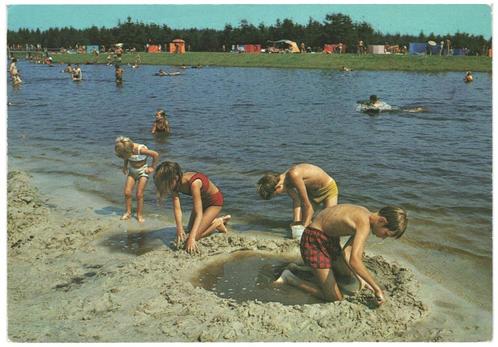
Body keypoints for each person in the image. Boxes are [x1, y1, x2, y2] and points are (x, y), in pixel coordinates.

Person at [274, 204, 408, 305]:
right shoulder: (364, 225)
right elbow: (355, 261)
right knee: (335, 298)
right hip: (313, 241)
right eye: (385, 234)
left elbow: (348, 253)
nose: (383, 238)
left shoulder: (365, 214)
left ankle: (303, 269)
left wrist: (361, 279)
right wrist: (376, 288)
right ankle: (290, 278)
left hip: (328, 239)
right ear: (382, 221)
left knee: (346, 274)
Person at [153, 161, 231, 254]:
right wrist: (179, 228)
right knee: (190, 230)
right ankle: (214, 222)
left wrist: (192, 238)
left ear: (176, 178)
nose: (166, 187)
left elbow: (199, 213)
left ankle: (217, 223)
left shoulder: (194, 183)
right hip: (201, 202)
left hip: (214, 203)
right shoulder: (174, 185)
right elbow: (177, 209)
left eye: (166, 183)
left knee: (193, 238)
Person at [257, 163, 339, 227]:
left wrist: (303, 229)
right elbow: (296, 200)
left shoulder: (294, 175)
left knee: (328, 221)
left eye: (276, 194)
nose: (279, 194)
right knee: (306, 221)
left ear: (278, 187)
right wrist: (296, 223)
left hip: (328, 188)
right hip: (312, 192)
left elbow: (306, 205)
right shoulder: (284, 182)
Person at [114, 136, 159, 223]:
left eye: (124, 155)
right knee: (127, 192)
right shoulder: (125, 148)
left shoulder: (140, 150)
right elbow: (126, 157)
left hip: (143, 171)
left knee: (139, 194)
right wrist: (125, 166)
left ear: (130, 150)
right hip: (132, 171)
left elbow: (155, 154)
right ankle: (128, 212)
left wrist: (152, 167)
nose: (124, 157)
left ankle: (139, 214)